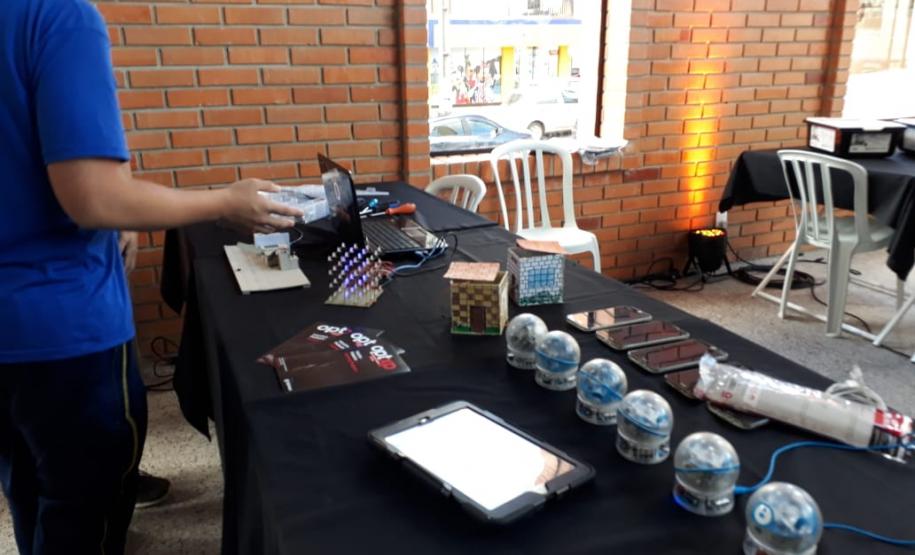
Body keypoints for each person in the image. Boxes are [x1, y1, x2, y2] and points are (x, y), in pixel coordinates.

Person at [0, 1, 302, 553]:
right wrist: (224, 202)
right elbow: (93, 197)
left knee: (25, 480)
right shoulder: (58, 15)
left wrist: (114, 208)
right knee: (81, 505)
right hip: (60, 333)